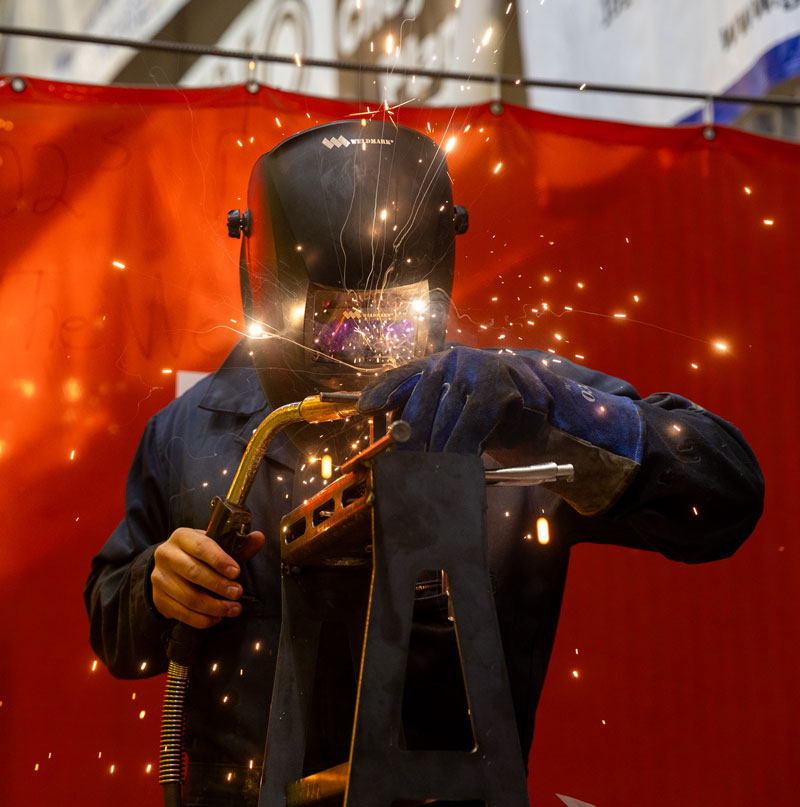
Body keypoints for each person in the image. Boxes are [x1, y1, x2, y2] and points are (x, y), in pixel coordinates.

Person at [84, 120, 764, 807]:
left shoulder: (507, 406)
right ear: (269, 285)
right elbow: (113, 629)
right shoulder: (190, 433)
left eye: (386, 318)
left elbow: (726, 493)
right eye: (334, 319)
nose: (358, 346)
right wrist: (152, 589)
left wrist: (554, 420)